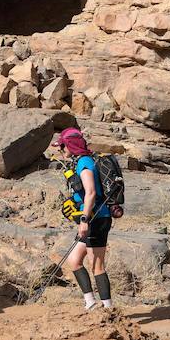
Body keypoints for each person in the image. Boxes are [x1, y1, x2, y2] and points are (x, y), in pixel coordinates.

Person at [52, 127, 114, 311]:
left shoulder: (84, 163)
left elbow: (91, 192)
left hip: (96, 219)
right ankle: (91, 303)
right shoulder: (80, 162)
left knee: (97, 266)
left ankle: (109, 310)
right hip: (92, 218)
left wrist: (84, 219)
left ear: (70, 145)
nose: (61, 150)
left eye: (62, 147)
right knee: (74, 260)